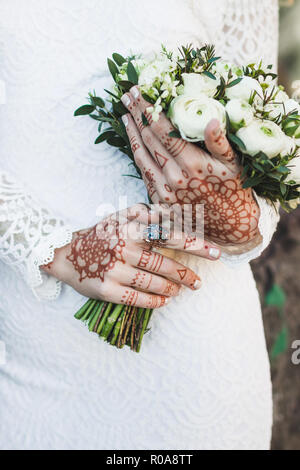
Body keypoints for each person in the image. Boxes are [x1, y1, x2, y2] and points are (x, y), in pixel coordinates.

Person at [0, 0, 280, 450]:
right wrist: (54, 248)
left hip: (199, 357)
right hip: (44, 344)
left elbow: (264, 133)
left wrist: (240, 219)